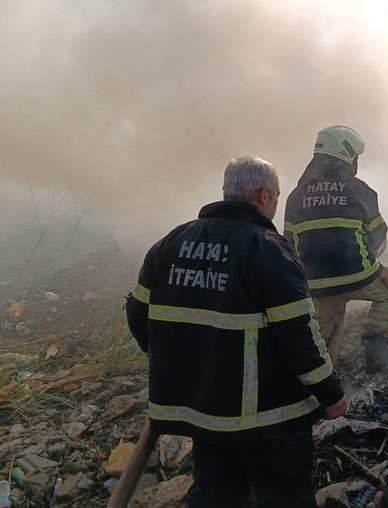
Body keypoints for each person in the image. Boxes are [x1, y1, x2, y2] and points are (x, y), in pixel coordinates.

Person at [125, 155, 346, 507]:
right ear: (263, 196)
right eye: (275, 196)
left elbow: (137, 313)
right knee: (284, 495)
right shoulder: (269, 250)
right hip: (271, 417)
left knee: (215, 494)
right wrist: (331, 392)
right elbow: (299, 337)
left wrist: (180, 359)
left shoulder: (170, 243)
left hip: (202, 410)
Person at [283, 125, 388, 374]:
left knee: (319, 340)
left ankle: (318, 386)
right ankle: (376, 357)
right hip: (359, 275)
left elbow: (289, 244)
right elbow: (378, 239)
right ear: (346, 155)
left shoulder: (296, 195)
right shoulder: (359, 189)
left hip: (315, 284)